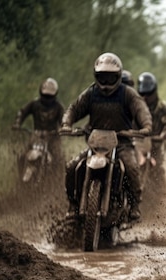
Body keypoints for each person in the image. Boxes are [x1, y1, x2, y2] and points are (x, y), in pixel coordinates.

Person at [60, 52, 152, 221]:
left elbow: (141, 109)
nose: (106, 83)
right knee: (73, 166)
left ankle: (134, 206)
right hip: (96, 144)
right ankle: (73, 205)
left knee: (132, 168)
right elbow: (74, 108)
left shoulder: (128, 93)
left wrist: (146, 126)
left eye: (111, 78)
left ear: (118, 76)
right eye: (103, 77)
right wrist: (67, 123)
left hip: (122, 143)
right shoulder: (91, 93)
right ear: (96, 76)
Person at [12, 77, 65, 173]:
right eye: (45, 96)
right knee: (23, 156)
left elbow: (64, 120)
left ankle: (58, 180)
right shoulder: (34, 104)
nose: (47, 99)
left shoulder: (58, 107)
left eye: (49, 96)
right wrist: (17, 123)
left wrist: (64, 128)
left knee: (58, 158)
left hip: (53, 136)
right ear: (41, 93)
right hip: (36, 135)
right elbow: (22, 112)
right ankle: (20, 178)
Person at [137, 72, 166, 197]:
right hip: (136, 146)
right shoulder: (135, 107)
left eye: (148, 93)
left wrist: (165, 134)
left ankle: (160, 199)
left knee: (158, 172)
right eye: (143, 94)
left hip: (155, 146)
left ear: (154, 91)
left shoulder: (163, 108)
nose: (145, 97)